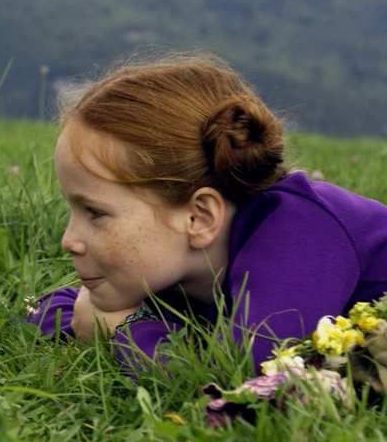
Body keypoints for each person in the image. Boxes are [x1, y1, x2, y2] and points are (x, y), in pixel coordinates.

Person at [26, 53, 387, 373]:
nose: (69, 241)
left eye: (95, 212)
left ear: (199, 217)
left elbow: (253, 365)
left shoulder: (301, 231)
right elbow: (57, 308)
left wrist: (121, 332)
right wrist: (95, 319)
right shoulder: (177, 267)